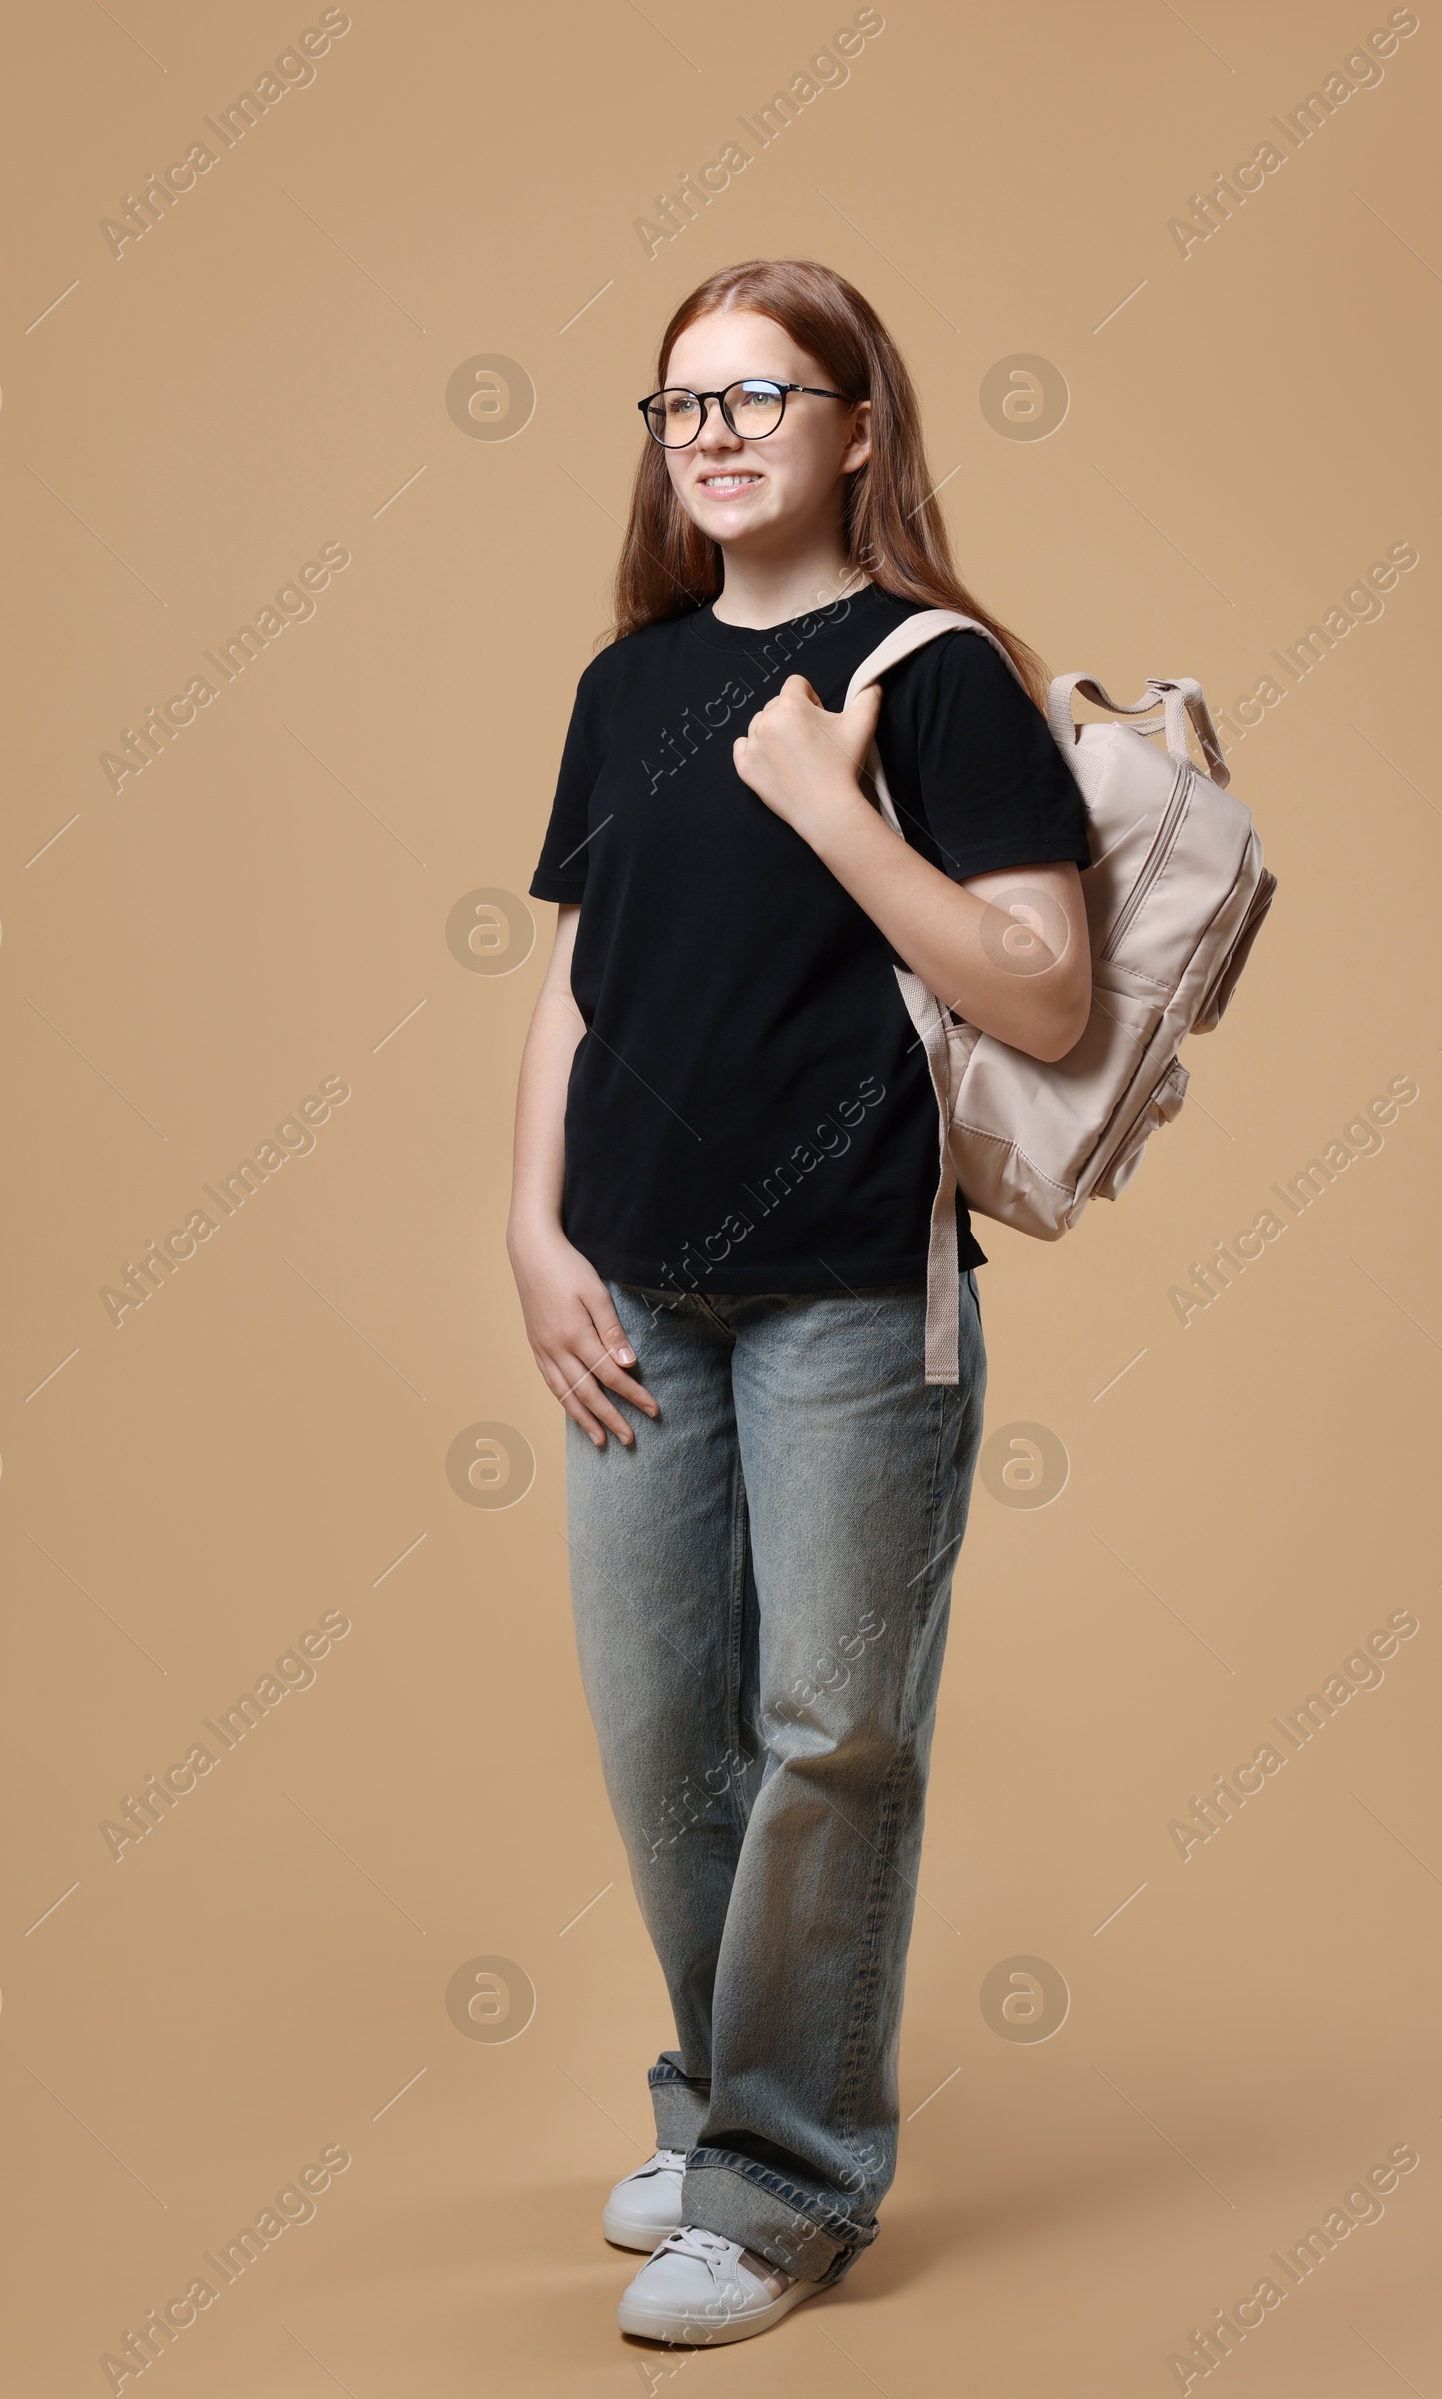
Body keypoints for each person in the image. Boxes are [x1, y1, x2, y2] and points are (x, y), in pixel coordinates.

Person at [507, 257, 1092, 2347]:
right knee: (669, 1741)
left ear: (858, 425)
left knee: (823, 1739)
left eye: (768, 392)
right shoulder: (626, 680)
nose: (722, 430)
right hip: (633, 1293)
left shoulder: (930, 678)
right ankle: (726, 2102)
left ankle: (781, 2186)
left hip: (854, 1291)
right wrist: (530, 1230)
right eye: (683, 402)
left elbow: (1042, 985)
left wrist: (833, 809)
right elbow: (578, 985)